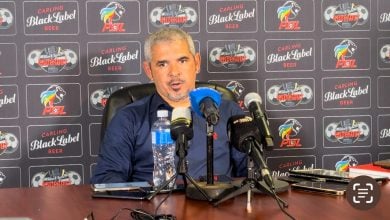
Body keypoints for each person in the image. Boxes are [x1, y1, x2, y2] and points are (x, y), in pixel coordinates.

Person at [91, 27, 247, 184]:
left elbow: (250, 174)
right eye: (163, 64)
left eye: (182, 61)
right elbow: (107, 180)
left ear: (197, 63)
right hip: (153, 207)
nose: (174, 72)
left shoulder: (230, 112)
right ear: (149, 70)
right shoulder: (128, 118)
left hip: (216, 205)